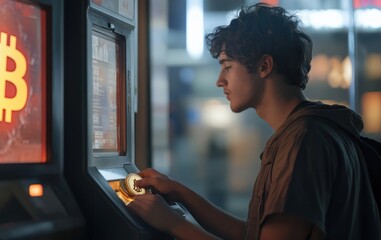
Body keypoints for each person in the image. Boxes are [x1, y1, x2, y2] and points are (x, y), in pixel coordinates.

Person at [127, 3, 381, 240]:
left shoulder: (304, 140)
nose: (219, 80)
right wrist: (179, 192)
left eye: (227, 66)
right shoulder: (316, 129)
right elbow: (252, 233)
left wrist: (173, 224)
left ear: (264, 66)